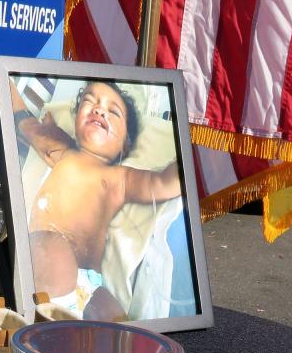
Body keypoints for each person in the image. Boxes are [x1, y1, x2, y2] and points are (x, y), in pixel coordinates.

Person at [12, 79, 181, 320]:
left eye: (113, 112)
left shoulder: (118, 178)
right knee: (47, 247)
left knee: (118, 326)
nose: (100, 109)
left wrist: (192, 145)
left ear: (126, 144)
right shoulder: (63, 150)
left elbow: (165, 183)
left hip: (90, 287)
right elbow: (24, 120)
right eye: (89, 102)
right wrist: (6, 83)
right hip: (47, 269)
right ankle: (54, 331)